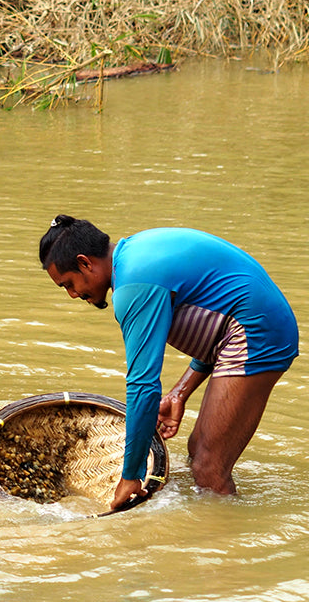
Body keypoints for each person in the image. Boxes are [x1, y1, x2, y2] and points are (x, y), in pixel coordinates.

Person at [39, 215, 298, 511]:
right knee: (196, 450)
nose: (73, 294)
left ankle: (228, 546)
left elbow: (143, 385)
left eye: (68, 284)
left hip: (259, 333)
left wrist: (131, 476)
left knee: (208, 467)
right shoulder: (136, 254)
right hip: (244, 328)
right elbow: (218, 315)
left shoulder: (134, 283)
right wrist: (179, 393)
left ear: (85, 263)